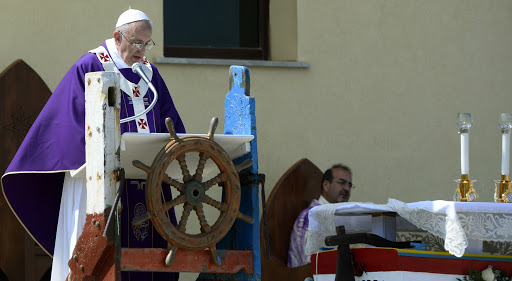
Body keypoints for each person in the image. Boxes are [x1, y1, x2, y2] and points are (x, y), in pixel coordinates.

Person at [1, 9, 184, 281]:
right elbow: (65, 122)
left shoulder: (149, 74)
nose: (142, 50)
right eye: (136, 43)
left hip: (146, 181)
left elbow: (169, 121)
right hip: (100, 182)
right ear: (117, 37)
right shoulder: (90, 65)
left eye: (147, 43)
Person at [287, 164, 353, 267]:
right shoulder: (311, 217)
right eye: (342, 182)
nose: (347, 188)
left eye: (349, 185)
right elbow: (310, 264)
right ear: (326, 185)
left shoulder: (341, 217)